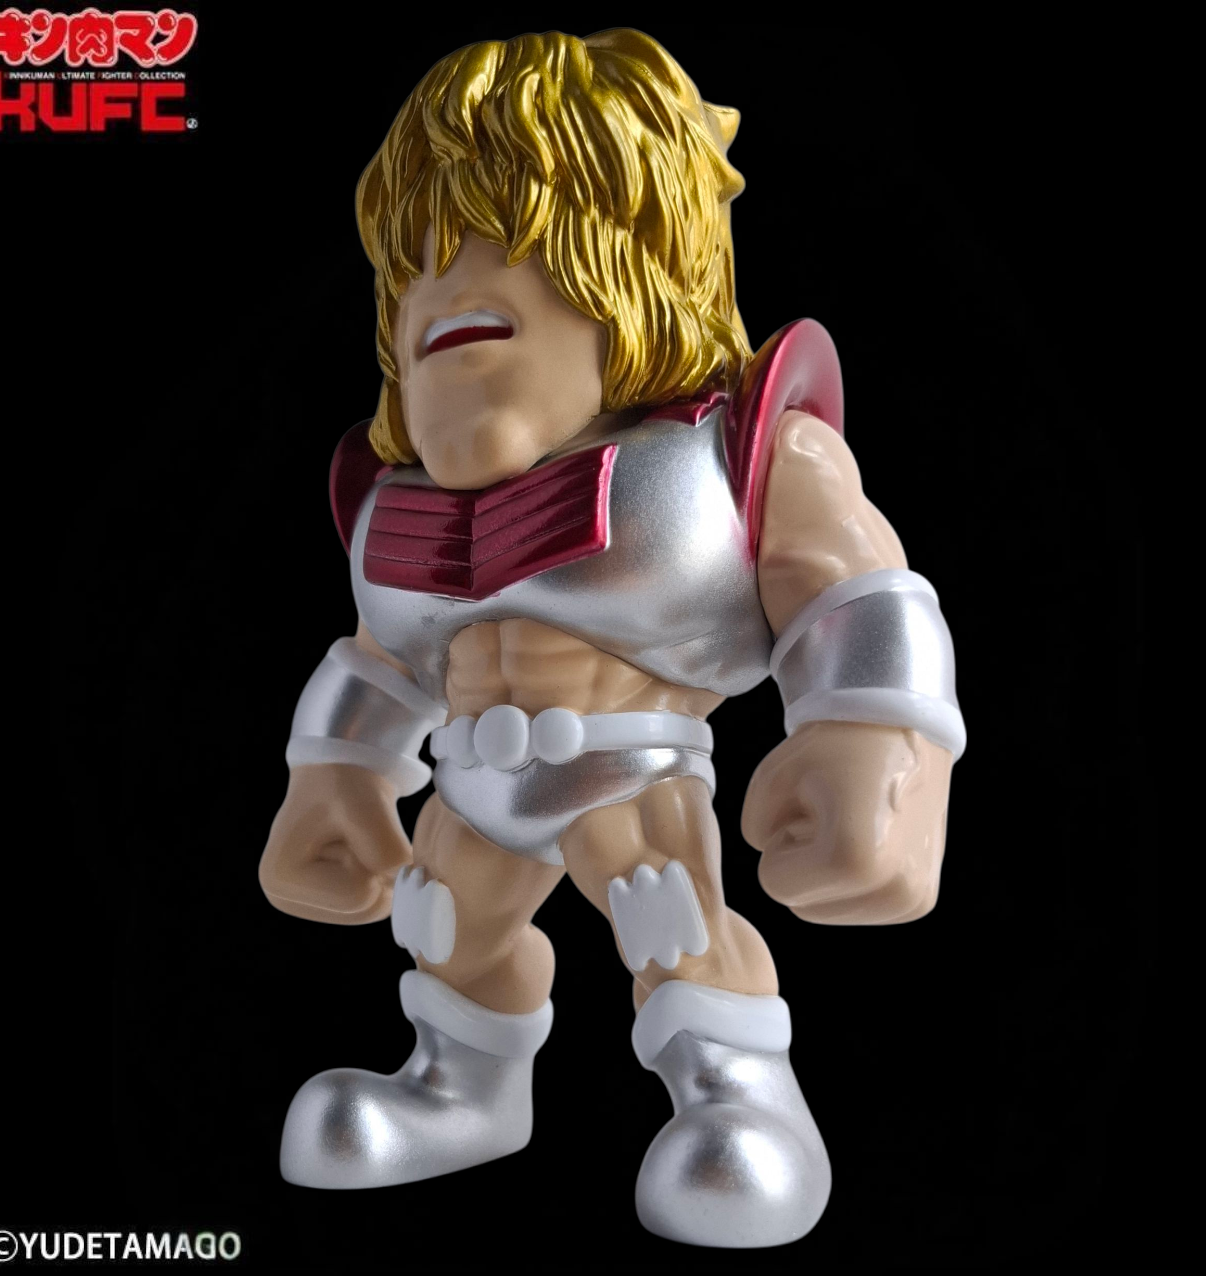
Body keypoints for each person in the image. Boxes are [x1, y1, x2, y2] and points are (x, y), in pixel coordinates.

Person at [259, 28, 964, 1249]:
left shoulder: (723, 460)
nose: (445, 287)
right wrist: (334, 782)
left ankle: (740, 1097)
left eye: (511, 239)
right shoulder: (392, 504)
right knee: (446, 924)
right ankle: (459, 1089)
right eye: (417, 262)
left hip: (628, 767)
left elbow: (859, 598)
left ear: (638, 264)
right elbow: (379, 662)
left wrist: (877, 753)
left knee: (671, 926)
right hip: (469, 791)